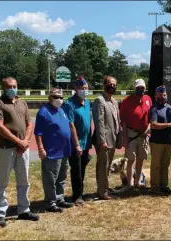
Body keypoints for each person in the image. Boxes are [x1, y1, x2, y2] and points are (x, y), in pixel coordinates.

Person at [0, 77, 39, 227]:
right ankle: (0, 213)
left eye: (14, 86)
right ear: (3, 88)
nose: (12, 88)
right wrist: (18, 142)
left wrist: (24, 142)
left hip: (22, 148)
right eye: (9, 86)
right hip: (6, 148)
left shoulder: (22, 103)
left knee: (24, 180)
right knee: (3, 181)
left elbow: (29, 124)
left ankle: (23, 209)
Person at [34, 88, 73, 212]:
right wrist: (41, 148)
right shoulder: (44, 112)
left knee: (62, 176)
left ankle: (59, 198)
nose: (59, 99)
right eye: (56, 97)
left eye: (61, 97)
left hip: (64, 150)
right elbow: (38, 133)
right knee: (51, 178)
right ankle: (50, 202)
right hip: (52, 151)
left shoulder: (61, 110)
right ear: (50, 98)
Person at [62, 76, 92, 205]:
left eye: (85, 88)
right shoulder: (69, 104)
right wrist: (77, 145)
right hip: (76, 143)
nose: (84, 90)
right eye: (81, 88)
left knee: (83, 167)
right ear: (76, 89)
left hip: (86, 142)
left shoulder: (87, 102)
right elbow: (71, 125)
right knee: (77, 169)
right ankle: (77, 195)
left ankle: (80, 192)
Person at [92, 75, 122, 200]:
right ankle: (101, 191)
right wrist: (102, 140)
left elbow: (116, 120)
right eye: (110, 84)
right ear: (105, 85)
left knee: (108, 165)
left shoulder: (114, 101)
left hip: (113, 138)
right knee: (103, 165)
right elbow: (99, 123)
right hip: (104, 140)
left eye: (115, 84)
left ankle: (105, 186)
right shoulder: (100, 100)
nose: (113, 87)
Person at [120, 79, 152, 189]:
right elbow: (123, 122)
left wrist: (149, 128)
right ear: (134, 88)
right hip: (131, 135)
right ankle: (130, 182)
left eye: (142, 87)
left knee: (140, 159)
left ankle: (138, 181)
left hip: (144, 135)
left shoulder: (148, 99)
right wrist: (125, 138)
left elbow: (151, 117)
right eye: (138, 87)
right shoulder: (126, 101)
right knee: (130, 160)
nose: (140, 89)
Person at [148, 85, 171, 193]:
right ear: (155, 96)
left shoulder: (169, 107)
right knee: (156, 165)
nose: (162, 97)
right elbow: (153, 125)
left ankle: (164, 185)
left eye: (164, 95)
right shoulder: (154, 109)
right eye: (159, 95)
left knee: (165, 165)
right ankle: (155, 186)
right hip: (156, 142)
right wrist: (168, 124)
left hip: (167, 141)